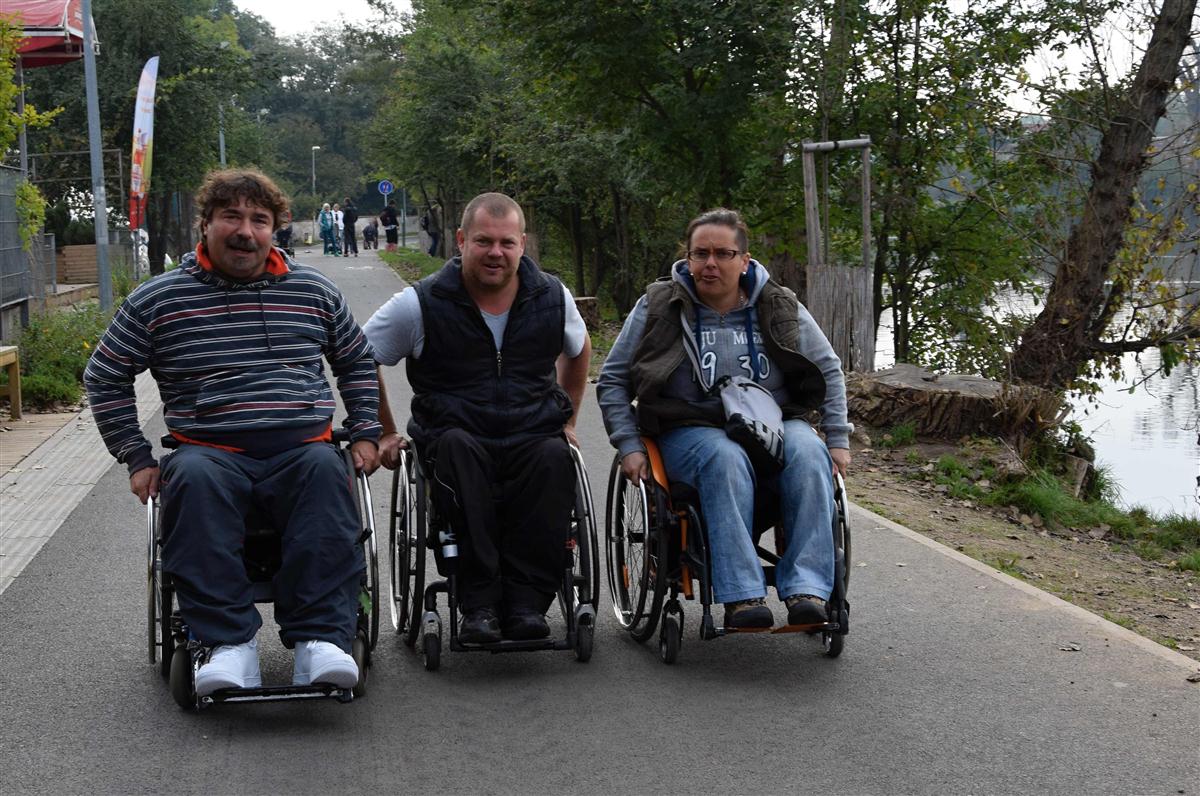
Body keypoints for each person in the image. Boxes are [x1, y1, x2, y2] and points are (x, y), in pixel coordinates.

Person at [84, 168, 382, 695]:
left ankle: (320, 641)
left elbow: (356, 359)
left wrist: (364, 431)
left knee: (325, 474)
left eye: (259, 220)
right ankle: (226, 646)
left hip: (303, 447)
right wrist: (136, 455)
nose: (246, 231)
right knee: (192, 481)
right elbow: (105, 374)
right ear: (205, 224)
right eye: (231, 217)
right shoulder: (159, 300)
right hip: (209, 450)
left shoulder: (313, 290)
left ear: (274, 229)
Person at [596, 207, 851, 630]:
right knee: (724, 457)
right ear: (688, 258)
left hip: (773, 422)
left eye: (722, 254)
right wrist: (628, 444)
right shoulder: (658, 305)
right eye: (700, 254)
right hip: (689, 427)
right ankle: (741, 595)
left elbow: (828, 368)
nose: (710, 263)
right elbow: (613, 379)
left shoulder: (778, 304)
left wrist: (838, 439)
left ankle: (807, 589)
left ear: (744, 260)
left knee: (810, 453)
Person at [364, 192, 592, 643]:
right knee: (457, 453)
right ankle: (480, 603)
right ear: (461, 240)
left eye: (507, 243)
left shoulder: (552, 297)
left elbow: (579, 348)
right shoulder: (421, 303)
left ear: (522, 244)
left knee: (554, 457)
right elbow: (359, 356)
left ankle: (527, 603)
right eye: (484, 241)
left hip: (532, 432)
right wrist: (385, 431)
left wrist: (568, 421)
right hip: (455, 434)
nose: (495, 253)